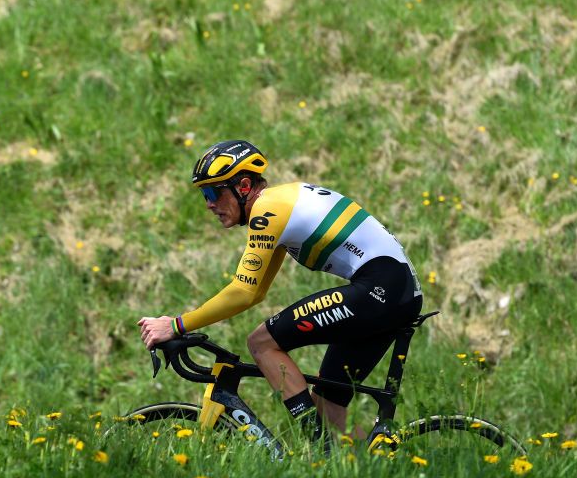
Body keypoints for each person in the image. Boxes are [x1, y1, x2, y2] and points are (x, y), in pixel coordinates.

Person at [138, 140, 422, 445]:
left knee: (261, 343)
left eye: (213, 193)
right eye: (204, 195)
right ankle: (362, 467)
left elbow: (243, 292)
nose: (209, 204)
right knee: (329, 412)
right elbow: (255, 291)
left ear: (244, 185)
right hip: (392, 293)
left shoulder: (268, 210)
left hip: (381, 290)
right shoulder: (280, 205)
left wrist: (176, 325)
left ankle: (315, 441)